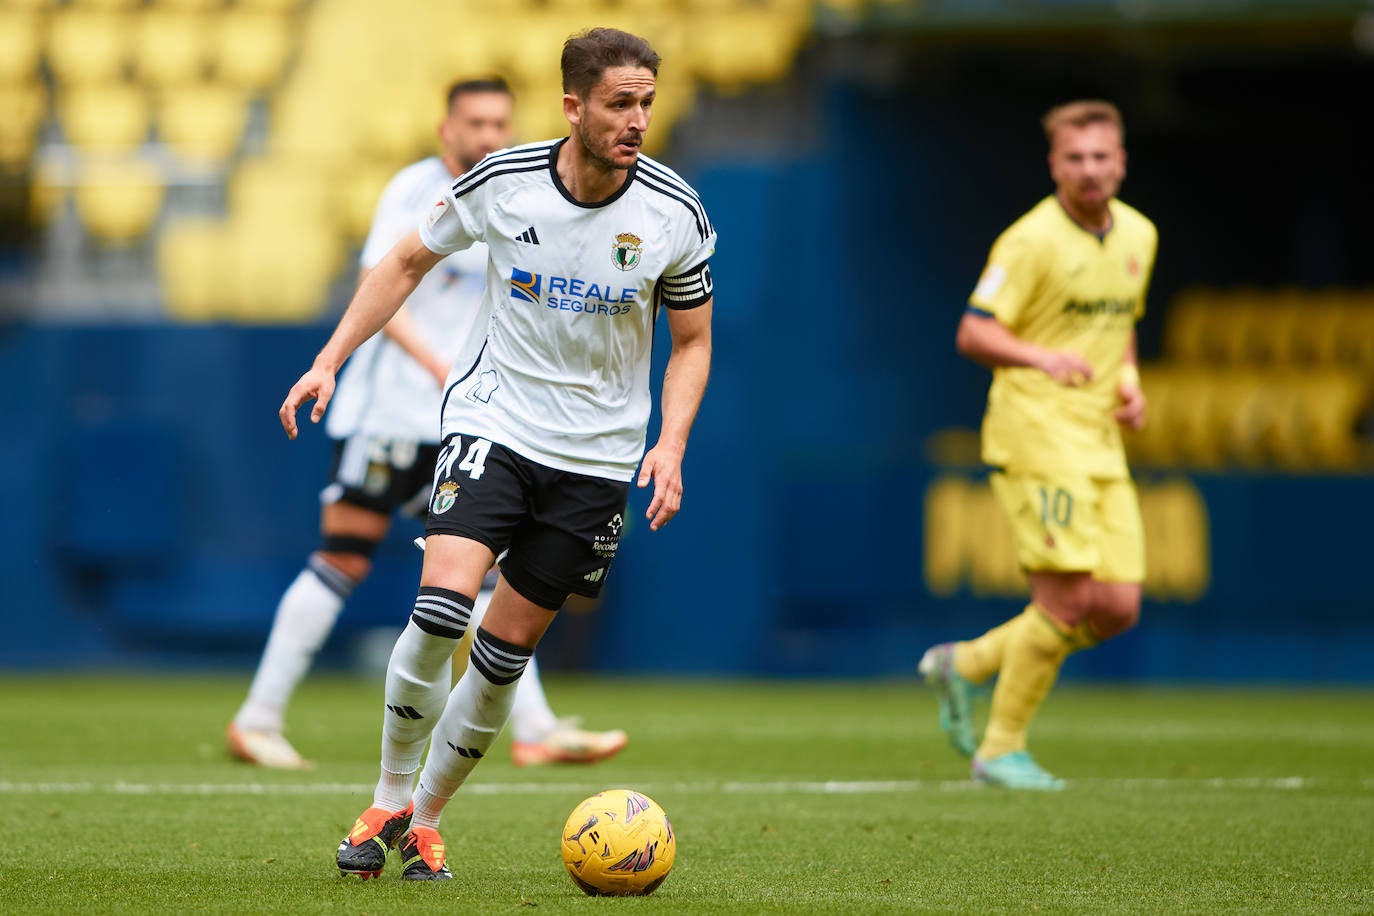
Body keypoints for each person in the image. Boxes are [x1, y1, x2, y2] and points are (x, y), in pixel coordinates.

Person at [278, 28, 715, 880]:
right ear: (574, 106)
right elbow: (404, 261)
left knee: (505, 654)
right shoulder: (502, 184)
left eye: (647, 104)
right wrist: (329, 361)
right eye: (621, 104)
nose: (637, 121)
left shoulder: (675, 212)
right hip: (495, 424)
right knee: (441, 610)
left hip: (596, 460)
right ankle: (386, 796)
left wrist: (671, 443)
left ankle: (427, 820)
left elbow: (693, 343)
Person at [228, 77, 627, 772]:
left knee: (486, 578)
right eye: (475, 122)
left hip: (465, 421)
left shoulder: (512, 192)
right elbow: (385, 277)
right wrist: (439, 367)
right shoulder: (415, 190)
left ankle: (532, 728)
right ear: (446, 128)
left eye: (500, 122)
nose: (489, 136)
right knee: (345, 558)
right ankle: (258, 717)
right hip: (394, 414)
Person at [919, 100, 1156, 790]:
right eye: (1075, 158)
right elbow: (973, 331)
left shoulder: (1140, 234)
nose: (1089, 170)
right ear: (1054, 165)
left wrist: (1131, 380)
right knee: (1065, 602)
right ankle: (1000, 749)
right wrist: (1040, 358)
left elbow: (1121, 324)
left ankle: (965, 664)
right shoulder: (1031, 241)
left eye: (1100, 157)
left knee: (1117, 608)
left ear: (1121, 163)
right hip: (1038, 432)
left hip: (1100, 438)